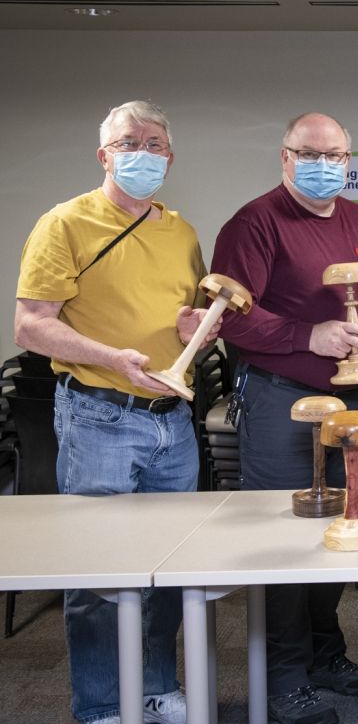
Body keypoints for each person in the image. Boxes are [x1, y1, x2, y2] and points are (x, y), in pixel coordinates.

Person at [14, 100, 219, 724]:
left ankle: (155, 686)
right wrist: (112, 357)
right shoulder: (65, 222)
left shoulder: (180, 231)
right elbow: (30, 326)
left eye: (155, 143)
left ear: (170, 157)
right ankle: (102, 705)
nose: (145, 153)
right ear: (104, 154)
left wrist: (195, 331)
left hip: (171, 419)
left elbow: (193, 320)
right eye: (130, 142)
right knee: (100, 571)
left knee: (167, 564)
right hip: (98, 415)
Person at [211, 112, 358, 724]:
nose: (324, 165)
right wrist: (304, 335)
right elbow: (227, 316)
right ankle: (282, 675)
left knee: (341, 527)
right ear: (284, 157)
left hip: (356, 401)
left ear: (350, 159)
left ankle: (323, 652)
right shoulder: (254, 222)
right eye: (309, 154)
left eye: (336, 155)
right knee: (285, 538)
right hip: (281, 401)